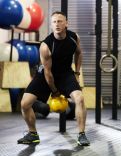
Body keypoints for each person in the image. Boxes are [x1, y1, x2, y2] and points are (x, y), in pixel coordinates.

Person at [17, 11, 90, 146]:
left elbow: (79, 54)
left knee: (79, 98)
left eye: (60, 21)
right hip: (45, 75)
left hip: (66, 74)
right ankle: (32, 134)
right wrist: (55, 92)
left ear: (66, 23)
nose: (57, 24)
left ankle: (82, 135)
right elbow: (48, 74)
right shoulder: (46, 46)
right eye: (54, 22)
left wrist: (77, 73)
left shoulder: (74, 37)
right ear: (51, 25)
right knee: (24, 104)